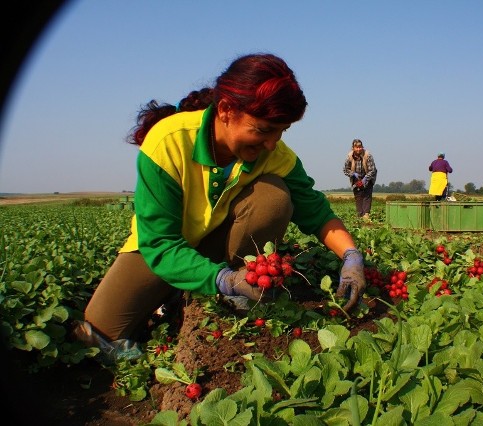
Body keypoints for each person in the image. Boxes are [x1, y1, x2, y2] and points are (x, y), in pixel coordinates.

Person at [73, 53, 366, 363]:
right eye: (264, 129)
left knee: (274, 197)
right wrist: (223, 279)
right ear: (226, 110)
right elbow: (159, 243)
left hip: (219, 246)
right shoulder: (168, 143)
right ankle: (185, 292)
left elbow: (316, 212)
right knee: (99, 334)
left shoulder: (276, 154)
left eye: (281, 131)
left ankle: (226, 298)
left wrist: (351, 255)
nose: (272, 143)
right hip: (164, 249)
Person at [343, 139, 377, 220]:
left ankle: (366, 214)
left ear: (362, 147)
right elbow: (345, 170)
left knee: (367, 195)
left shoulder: (368, 155)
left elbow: (372, 170)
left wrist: (365, 178)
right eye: (356, 147)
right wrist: (353, 174)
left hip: (368, 176)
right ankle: (359, 215)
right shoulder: (349, 156)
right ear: (353, 148)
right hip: (356, 177)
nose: (358, 149)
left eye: (360, 147)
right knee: (358, 196)